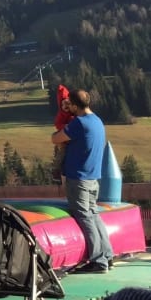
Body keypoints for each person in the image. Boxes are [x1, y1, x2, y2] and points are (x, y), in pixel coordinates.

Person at [52, 89, 114, 273]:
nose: (67, 106)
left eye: (69, 104)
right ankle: (107, 255)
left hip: (78, 178)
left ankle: (98, 260)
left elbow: (56, 138)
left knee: (84, 216)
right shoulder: (97, 121)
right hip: (93, 177)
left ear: (75, 105)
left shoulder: (79, 123)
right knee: (93, 214)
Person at [51, 83, 74, 182]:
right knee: (62, 153)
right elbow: (57, 124)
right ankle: (56, 171)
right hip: (64, 138)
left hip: (71, 137)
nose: (66, 107)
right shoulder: (60, 115)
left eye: (67, 104)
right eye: (63, 104)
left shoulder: (73, 113)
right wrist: (66, 127)